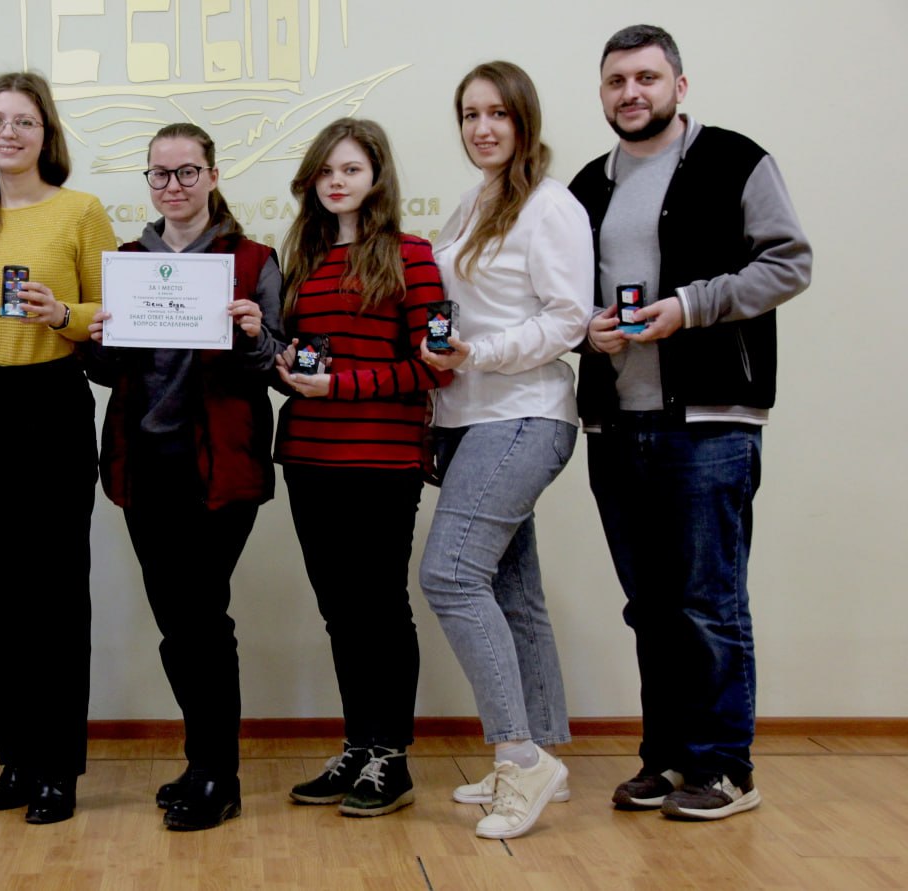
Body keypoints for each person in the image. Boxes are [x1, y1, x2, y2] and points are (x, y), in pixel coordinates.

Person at [569, 25, 811, 821]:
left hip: (709, 422)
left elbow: (789, 262)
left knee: (709, 602)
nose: (631, 92)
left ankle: (725, 767)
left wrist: (691, 306)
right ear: (602, 93)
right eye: (616, 81)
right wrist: (588, 331)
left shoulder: (736, 159)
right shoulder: (587, 185)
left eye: (646, 77)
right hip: (617, 425)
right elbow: (564, 299)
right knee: (651, 606)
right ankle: (668, 758)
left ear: (679, 85)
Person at [86, 123, 284, 831]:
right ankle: (203, 761)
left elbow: (277, 364)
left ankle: (218, 774)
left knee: (201, 616)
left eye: (187, 171)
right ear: (148, 180)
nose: (173, 186)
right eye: (160, 174)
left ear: (213, 175)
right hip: (145, 466)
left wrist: (254, 333)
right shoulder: (128, 262)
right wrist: (97, 342)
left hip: (221, 466)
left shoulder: (252, 259)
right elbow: (106, 371)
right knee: (177, 622)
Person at [416, 61, 592, 840]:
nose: (482, 128)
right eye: (470, 114)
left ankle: (519, 756)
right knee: (513, 591)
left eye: (498, 114)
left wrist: (478, 354)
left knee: (450, 574)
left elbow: (568, 318)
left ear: (525, 120)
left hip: (522, 412)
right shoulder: (475, 202)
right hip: (469, 417)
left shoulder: (550, 206)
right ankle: (544, 753)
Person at [0, 72, 116, 825]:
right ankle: (16, 757)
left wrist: (63, 313)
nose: (7, 133)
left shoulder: (80, 211)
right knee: (1, 591)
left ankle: (57, 767)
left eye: (23, 121)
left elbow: (114, 310)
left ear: (47, 135)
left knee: (56, 593)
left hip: (51, 403)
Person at [274, 118, 451, 818]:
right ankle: (358, 745)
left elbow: (433, 366)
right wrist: (285, 367)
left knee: (379, 606)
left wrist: (340, 386)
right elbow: (300, 358)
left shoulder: (411, 254)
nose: (337, 181)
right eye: (326, 171)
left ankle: (390, 757)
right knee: (340, 610)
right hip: (308, 455)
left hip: (381, 456)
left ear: (377, 177)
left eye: (350, 169)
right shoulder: (303, 258)